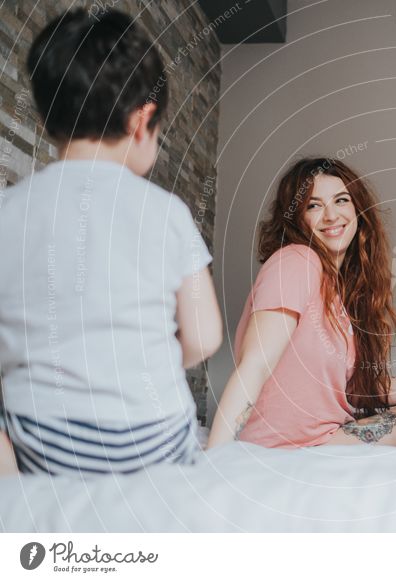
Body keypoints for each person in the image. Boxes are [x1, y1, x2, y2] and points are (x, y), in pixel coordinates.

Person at [0, 9, 222, 476]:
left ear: (45, 121)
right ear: (142, 122)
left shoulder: (9, 212)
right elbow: (204, 336)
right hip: (153, 435)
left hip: (46, 437)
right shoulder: (166, 213)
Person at [207, 158, 396, 450]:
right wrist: (214, 459)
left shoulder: (337, 294)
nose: (331, 215)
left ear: (357, 210)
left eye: (341, 200)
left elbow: (364, 392)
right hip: (287, 449)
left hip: (324, 441)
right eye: (313, 205)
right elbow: (256, 363)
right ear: (296, 218)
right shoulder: (297, 260)